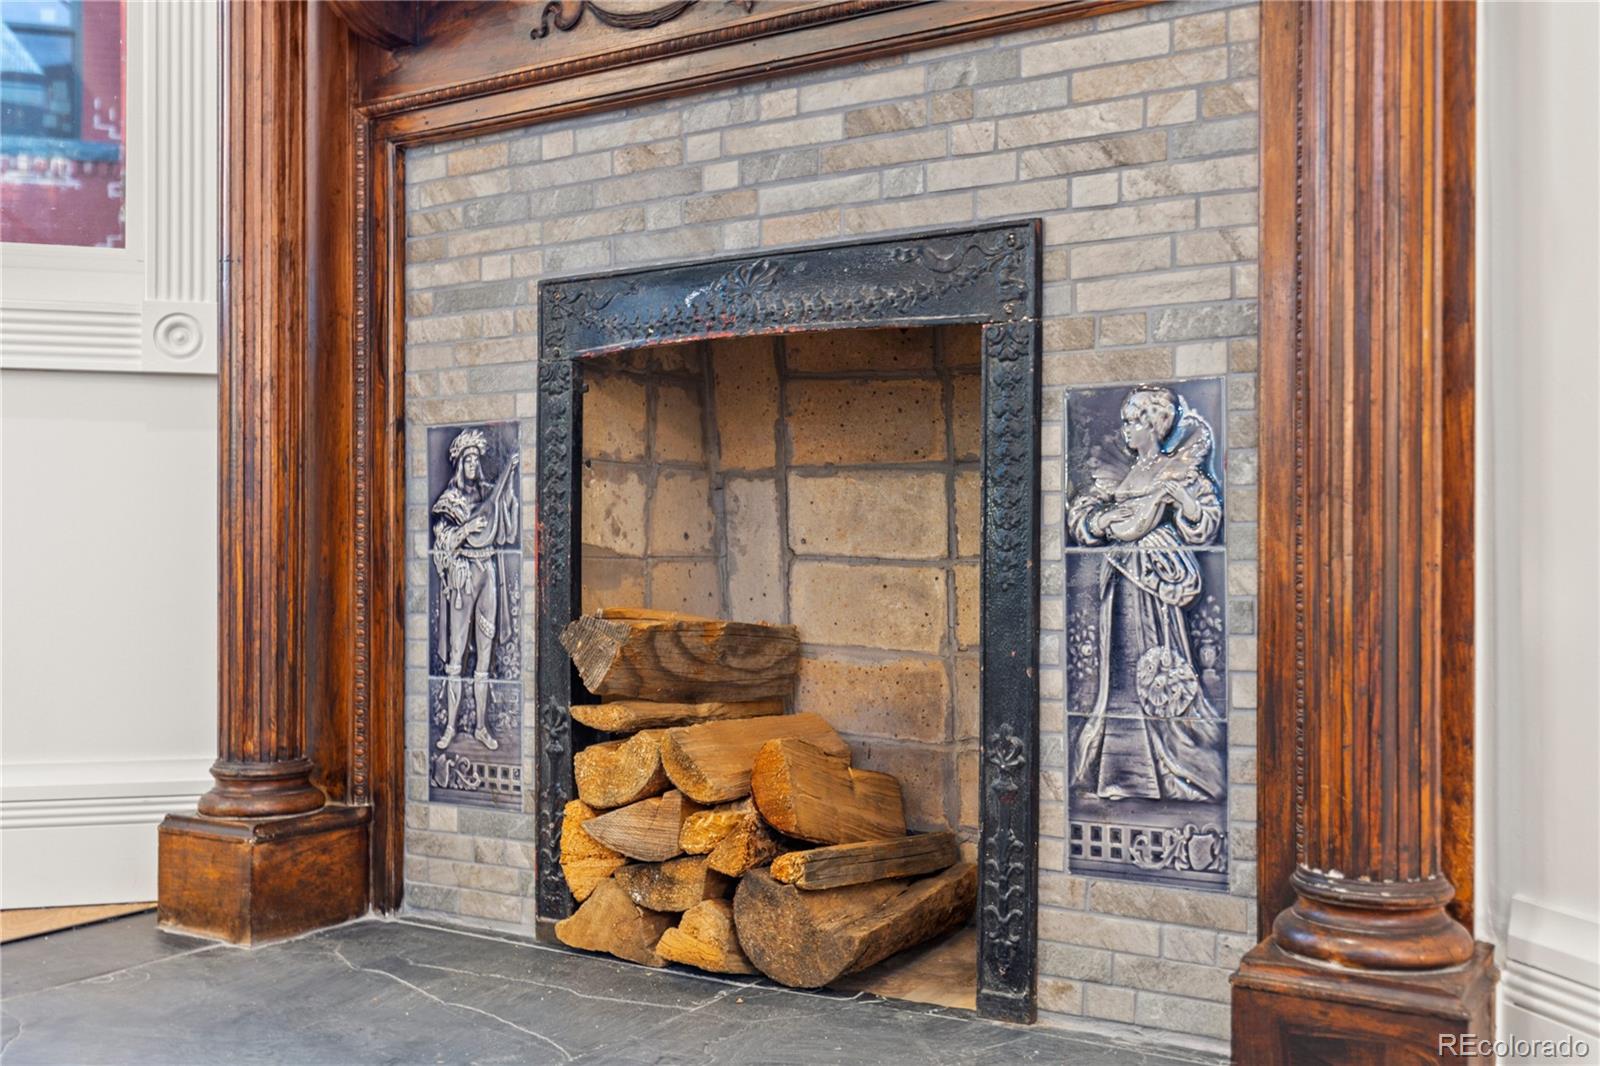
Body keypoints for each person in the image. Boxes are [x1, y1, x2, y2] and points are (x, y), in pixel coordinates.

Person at [1066, 386, 1225, 802]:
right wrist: (1101, 522)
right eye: (1124, 421)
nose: (1126, 430)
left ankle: (1176, 768)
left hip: (1157, 585)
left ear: (1154, 424)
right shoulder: (1121, 475)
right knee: (1117, 673)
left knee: (1154, 662)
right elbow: (1082, 514)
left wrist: (1182, 500)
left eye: (1134, 422)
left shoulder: (1178, 469)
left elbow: (1206, 519)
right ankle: (1119, 773)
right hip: (1117, 583)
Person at [431, 428, 519, 750]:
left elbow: (506, 532)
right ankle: (451, 726)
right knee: (457, 654)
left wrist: (506, 494)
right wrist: (466, 528)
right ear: (459, 463)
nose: (472, 464)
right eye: (467, 459)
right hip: (463, 575)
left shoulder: (486, 493)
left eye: (475, 459)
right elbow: (442, 543)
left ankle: (481, 726)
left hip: (488, 572)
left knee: (485, 651)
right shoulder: (449, 500)